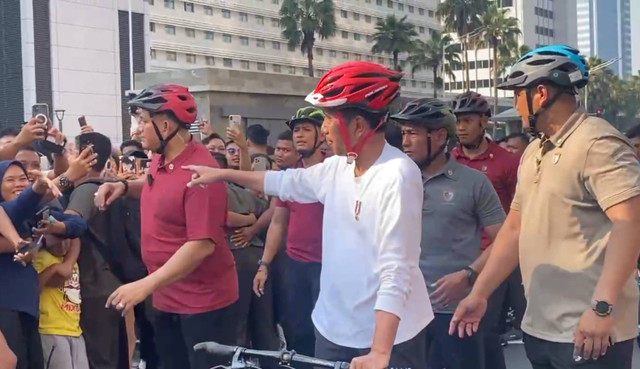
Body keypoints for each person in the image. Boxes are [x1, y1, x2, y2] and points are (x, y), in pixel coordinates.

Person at [184, 61, 432, 369]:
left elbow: (397, 269)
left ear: (358, 126)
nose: (324, 129)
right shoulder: (339, 166)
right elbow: (286, 182)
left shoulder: (397, 175)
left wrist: (380, 352)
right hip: (333, 328)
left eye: (329, 118)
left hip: (386, 338)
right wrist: (219, 173)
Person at [450, 45, 640, 369]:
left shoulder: (598, 143)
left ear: (539, 94)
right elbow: (514, 229)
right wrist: (480, 292)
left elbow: (630, 223)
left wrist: (602, 308)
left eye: (517, 95)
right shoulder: (534, 151)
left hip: (590, 333)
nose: (515, 105)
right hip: (540, 328)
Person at [94, 84, 238, 369]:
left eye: (142, 121)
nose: (136, 130)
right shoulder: (161, 158)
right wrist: (123, 186)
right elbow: (157, 187)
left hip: (202, 305)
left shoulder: (200, 172)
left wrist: (144, 285)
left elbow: (201, 245)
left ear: (164, 124)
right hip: (166, 297)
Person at [393, 98, 506, 369]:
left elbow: (504, 240)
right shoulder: (393, 180)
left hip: (454, 312)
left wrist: (469, 274)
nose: (405, 142)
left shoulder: (473, 183)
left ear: (440, 136)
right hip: (402, 310)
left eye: (413, 133)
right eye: (403, 134)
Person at [451, 90, 521, 369]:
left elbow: (521, 212)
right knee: (457, 331)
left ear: (484, 122)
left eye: (467, 120)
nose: (461, 127)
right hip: (455, 257)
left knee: (485, 331)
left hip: (494, 258)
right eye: (457, 121)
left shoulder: (507, 162)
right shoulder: (448, 159)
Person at [253, 107, 326, 361]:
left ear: (323, 134)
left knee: (325, 333)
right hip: (295, 265)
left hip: (328, 267)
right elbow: (278, 223)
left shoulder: (337, 171)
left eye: (307, 129)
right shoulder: (289, 177)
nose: (300, 136)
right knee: (296, 330)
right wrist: (264, 264)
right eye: (297, 130)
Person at [34, 235, 88, 369]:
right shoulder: (42, 258)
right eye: (58, 240)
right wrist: (53, 269)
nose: (63, 245)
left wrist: (65, 265)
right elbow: (35, 288)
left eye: (66, 239)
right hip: (51, 330)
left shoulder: (70, 261)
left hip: (75, 330)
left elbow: (76, 238)